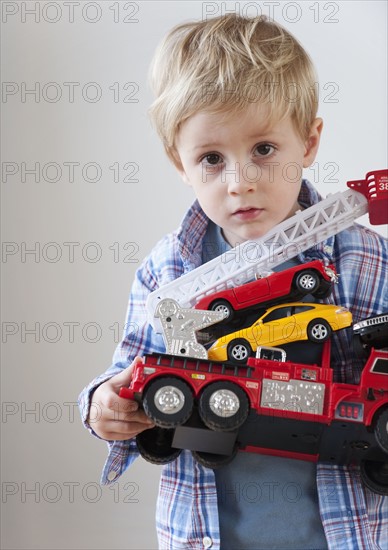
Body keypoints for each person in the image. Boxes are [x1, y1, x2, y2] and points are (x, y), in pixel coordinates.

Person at [78, 14, 387, 549]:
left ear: (309, 142)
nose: (239, 182)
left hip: (346, 530)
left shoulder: (367, 259)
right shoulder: (168, 271)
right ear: (181, 162)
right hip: (210, 533)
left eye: (263, 149)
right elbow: (129, 370)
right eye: (212, 159)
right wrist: (103, 404)